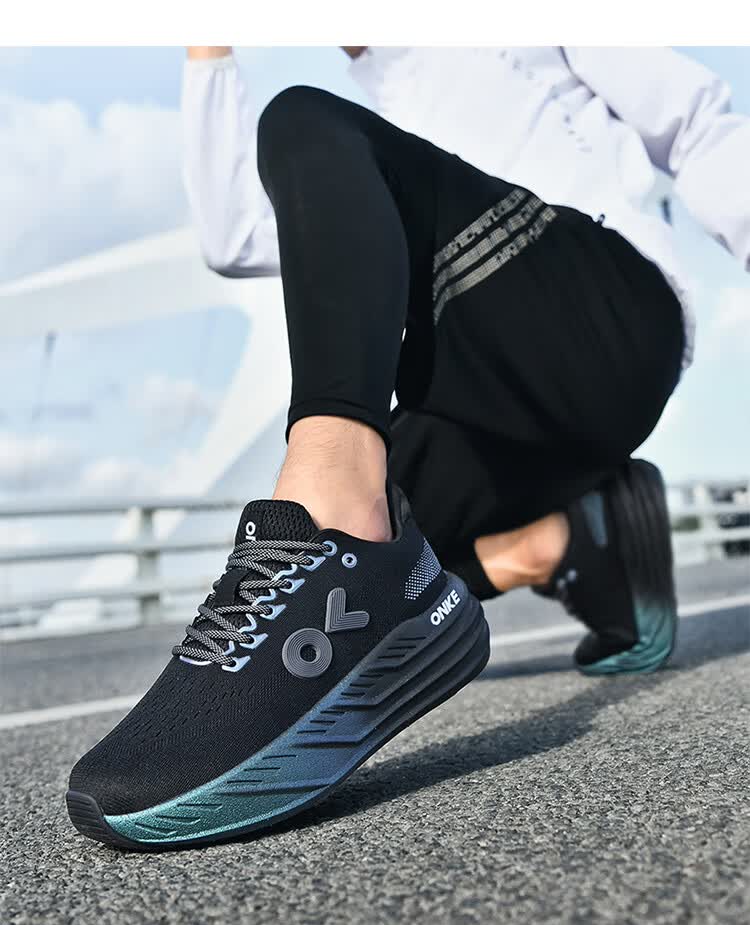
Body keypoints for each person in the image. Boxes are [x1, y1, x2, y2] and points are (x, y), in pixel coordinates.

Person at [66, 46, 749, 849]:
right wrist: (208, 51)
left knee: (301, 120)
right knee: (396, 570)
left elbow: (698, 125)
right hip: (494, 407)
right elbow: (237, 238)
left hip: (608, 319)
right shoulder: (376, 113)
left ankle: (332, 510)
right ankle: (570, 537)